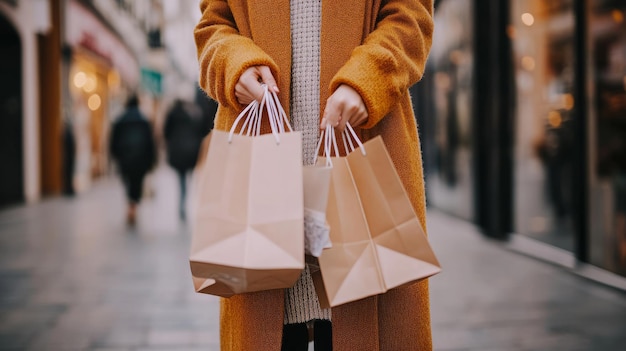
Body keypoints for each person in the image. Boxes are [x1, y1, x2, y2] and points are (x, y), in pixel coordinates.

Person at [195, 0, 434, 349]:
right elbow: (213, 26)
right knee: (266, 330)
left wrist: (366, 79)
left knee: (363, 326)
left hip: (364, 159)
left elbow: (411, 18)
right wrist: (234, 64)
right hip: (260, 178)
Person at [109, 94, 156, 225]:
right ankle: (133, 207)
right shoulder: (144, 121)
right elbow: (150, 143)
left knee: (128, 182)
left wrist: (115, 156)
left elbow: (113, 142)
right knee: (137, 183)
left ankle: (130, 206)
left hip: (125, 159)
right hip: (140, 160)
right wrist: (152, 160)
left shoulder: (119, 121)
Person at [163, 98, 205, 220]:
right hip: (191, 152)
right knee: (188, 178)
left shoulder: (172, 114)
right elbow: (199, 131)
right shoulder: (191, 114)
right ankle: (187, 202)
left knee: (181, 180)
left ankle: (182, 204)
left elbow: (166, 132)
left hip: (177, 152)